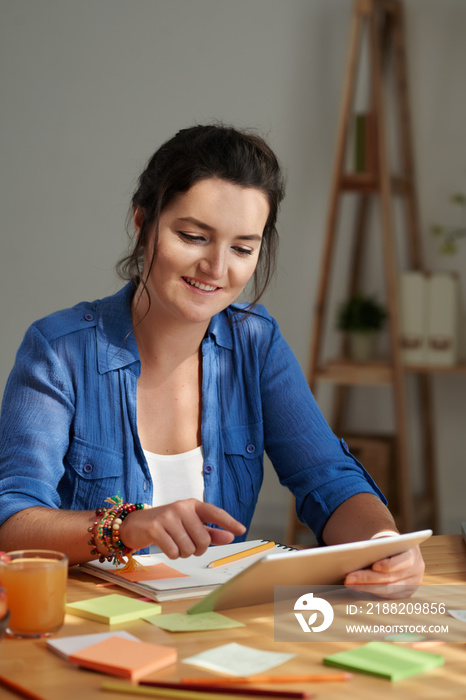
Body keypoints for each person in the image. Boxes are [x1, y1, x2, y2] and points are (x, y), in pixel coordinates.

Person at [0, 124, 424, 592]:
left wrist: (383, 544)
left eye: (243, 248)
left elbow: (329, 479)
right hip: (86, 627)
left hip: (212, 626)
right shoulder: (58, 350)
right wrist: (127, 527)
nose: (217, 268)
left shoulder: (255, 343)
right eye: (193, 236)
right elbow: (14, 520)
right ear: (143, 225)